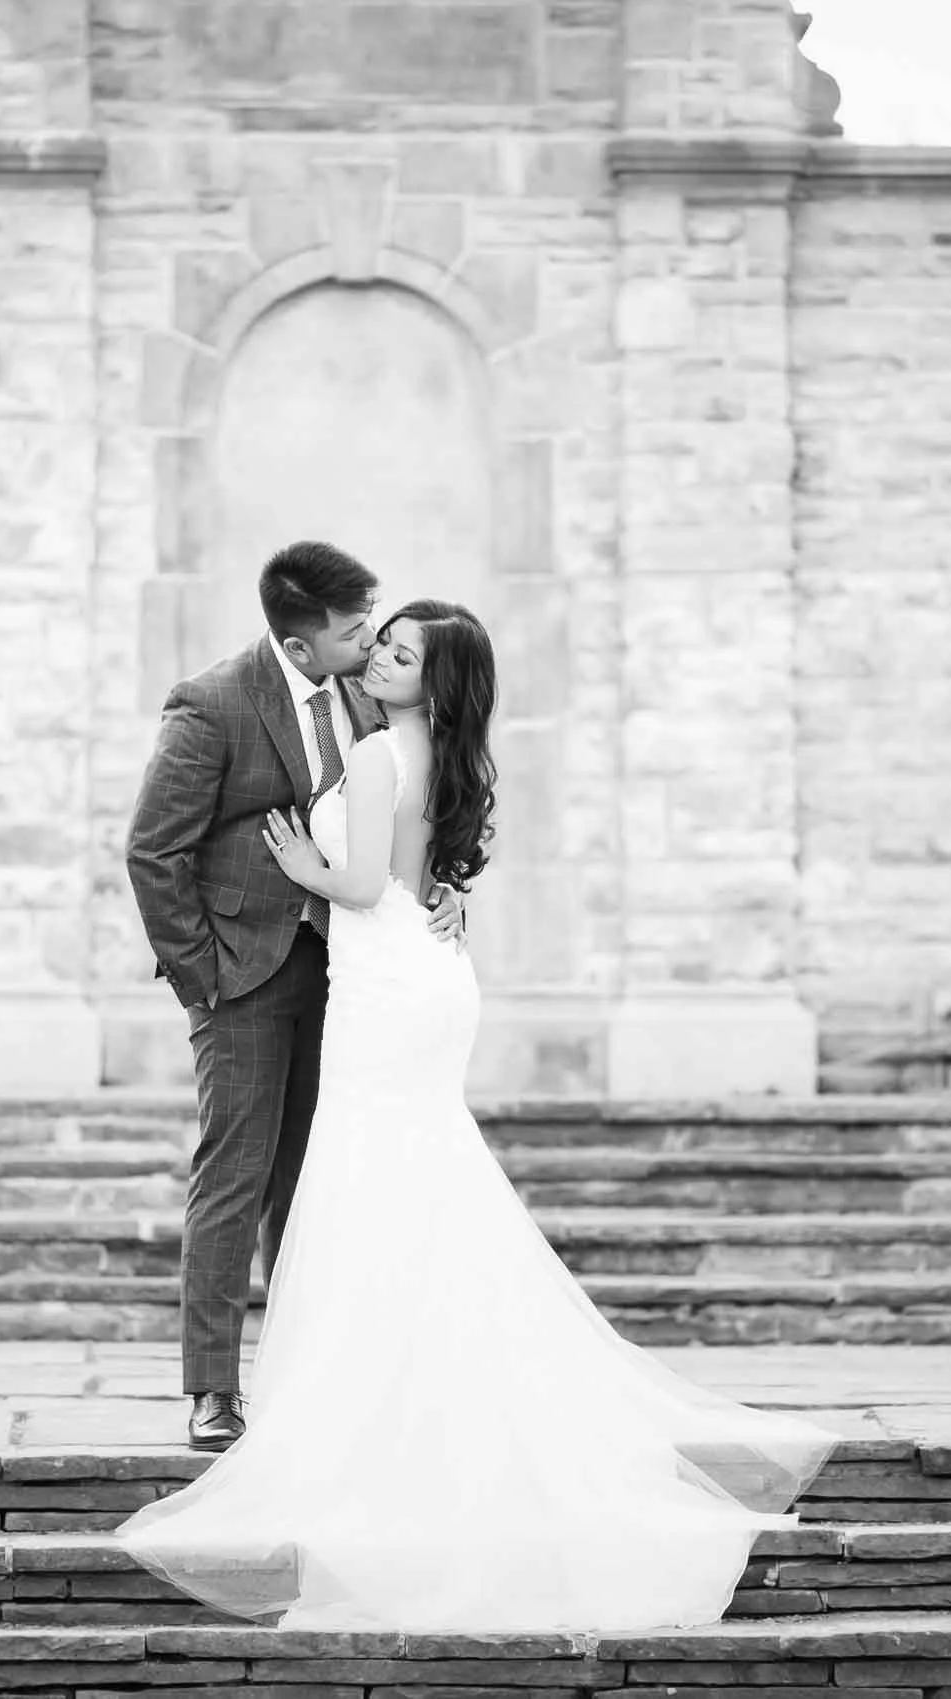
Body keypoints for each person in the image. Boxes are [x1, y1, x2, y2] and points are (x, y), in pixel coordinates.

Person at [115, 597, 837, 1633]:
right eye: (382, 643)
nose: (379, 657)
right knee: (420, 1178)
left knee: (371, 1181)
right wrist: (419, 889)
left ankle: (374, 1400)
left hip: (384, 988)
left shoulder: (375, 753)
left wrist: (304, 868)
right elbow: (424, 873)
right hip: (428, 975)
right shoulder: (444, 753)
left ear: (433, 680)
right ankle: (423, 1383)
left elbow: (364, 882)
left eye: (401, 654)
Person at [125, 541, 466, 1454]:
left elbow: (408, 816)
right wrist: (203, 977)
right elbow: (153, 850)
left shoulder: (369, 696)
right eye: (356, 630)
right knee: (233, 1176)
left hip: (350, 978)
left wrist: (444, 888)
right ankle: (214, 1389)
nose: (373, 641)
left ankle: (304, 1375)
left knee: (314, 1179)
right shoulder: (214, 702)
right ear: (301, 643)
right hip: (242, 975)